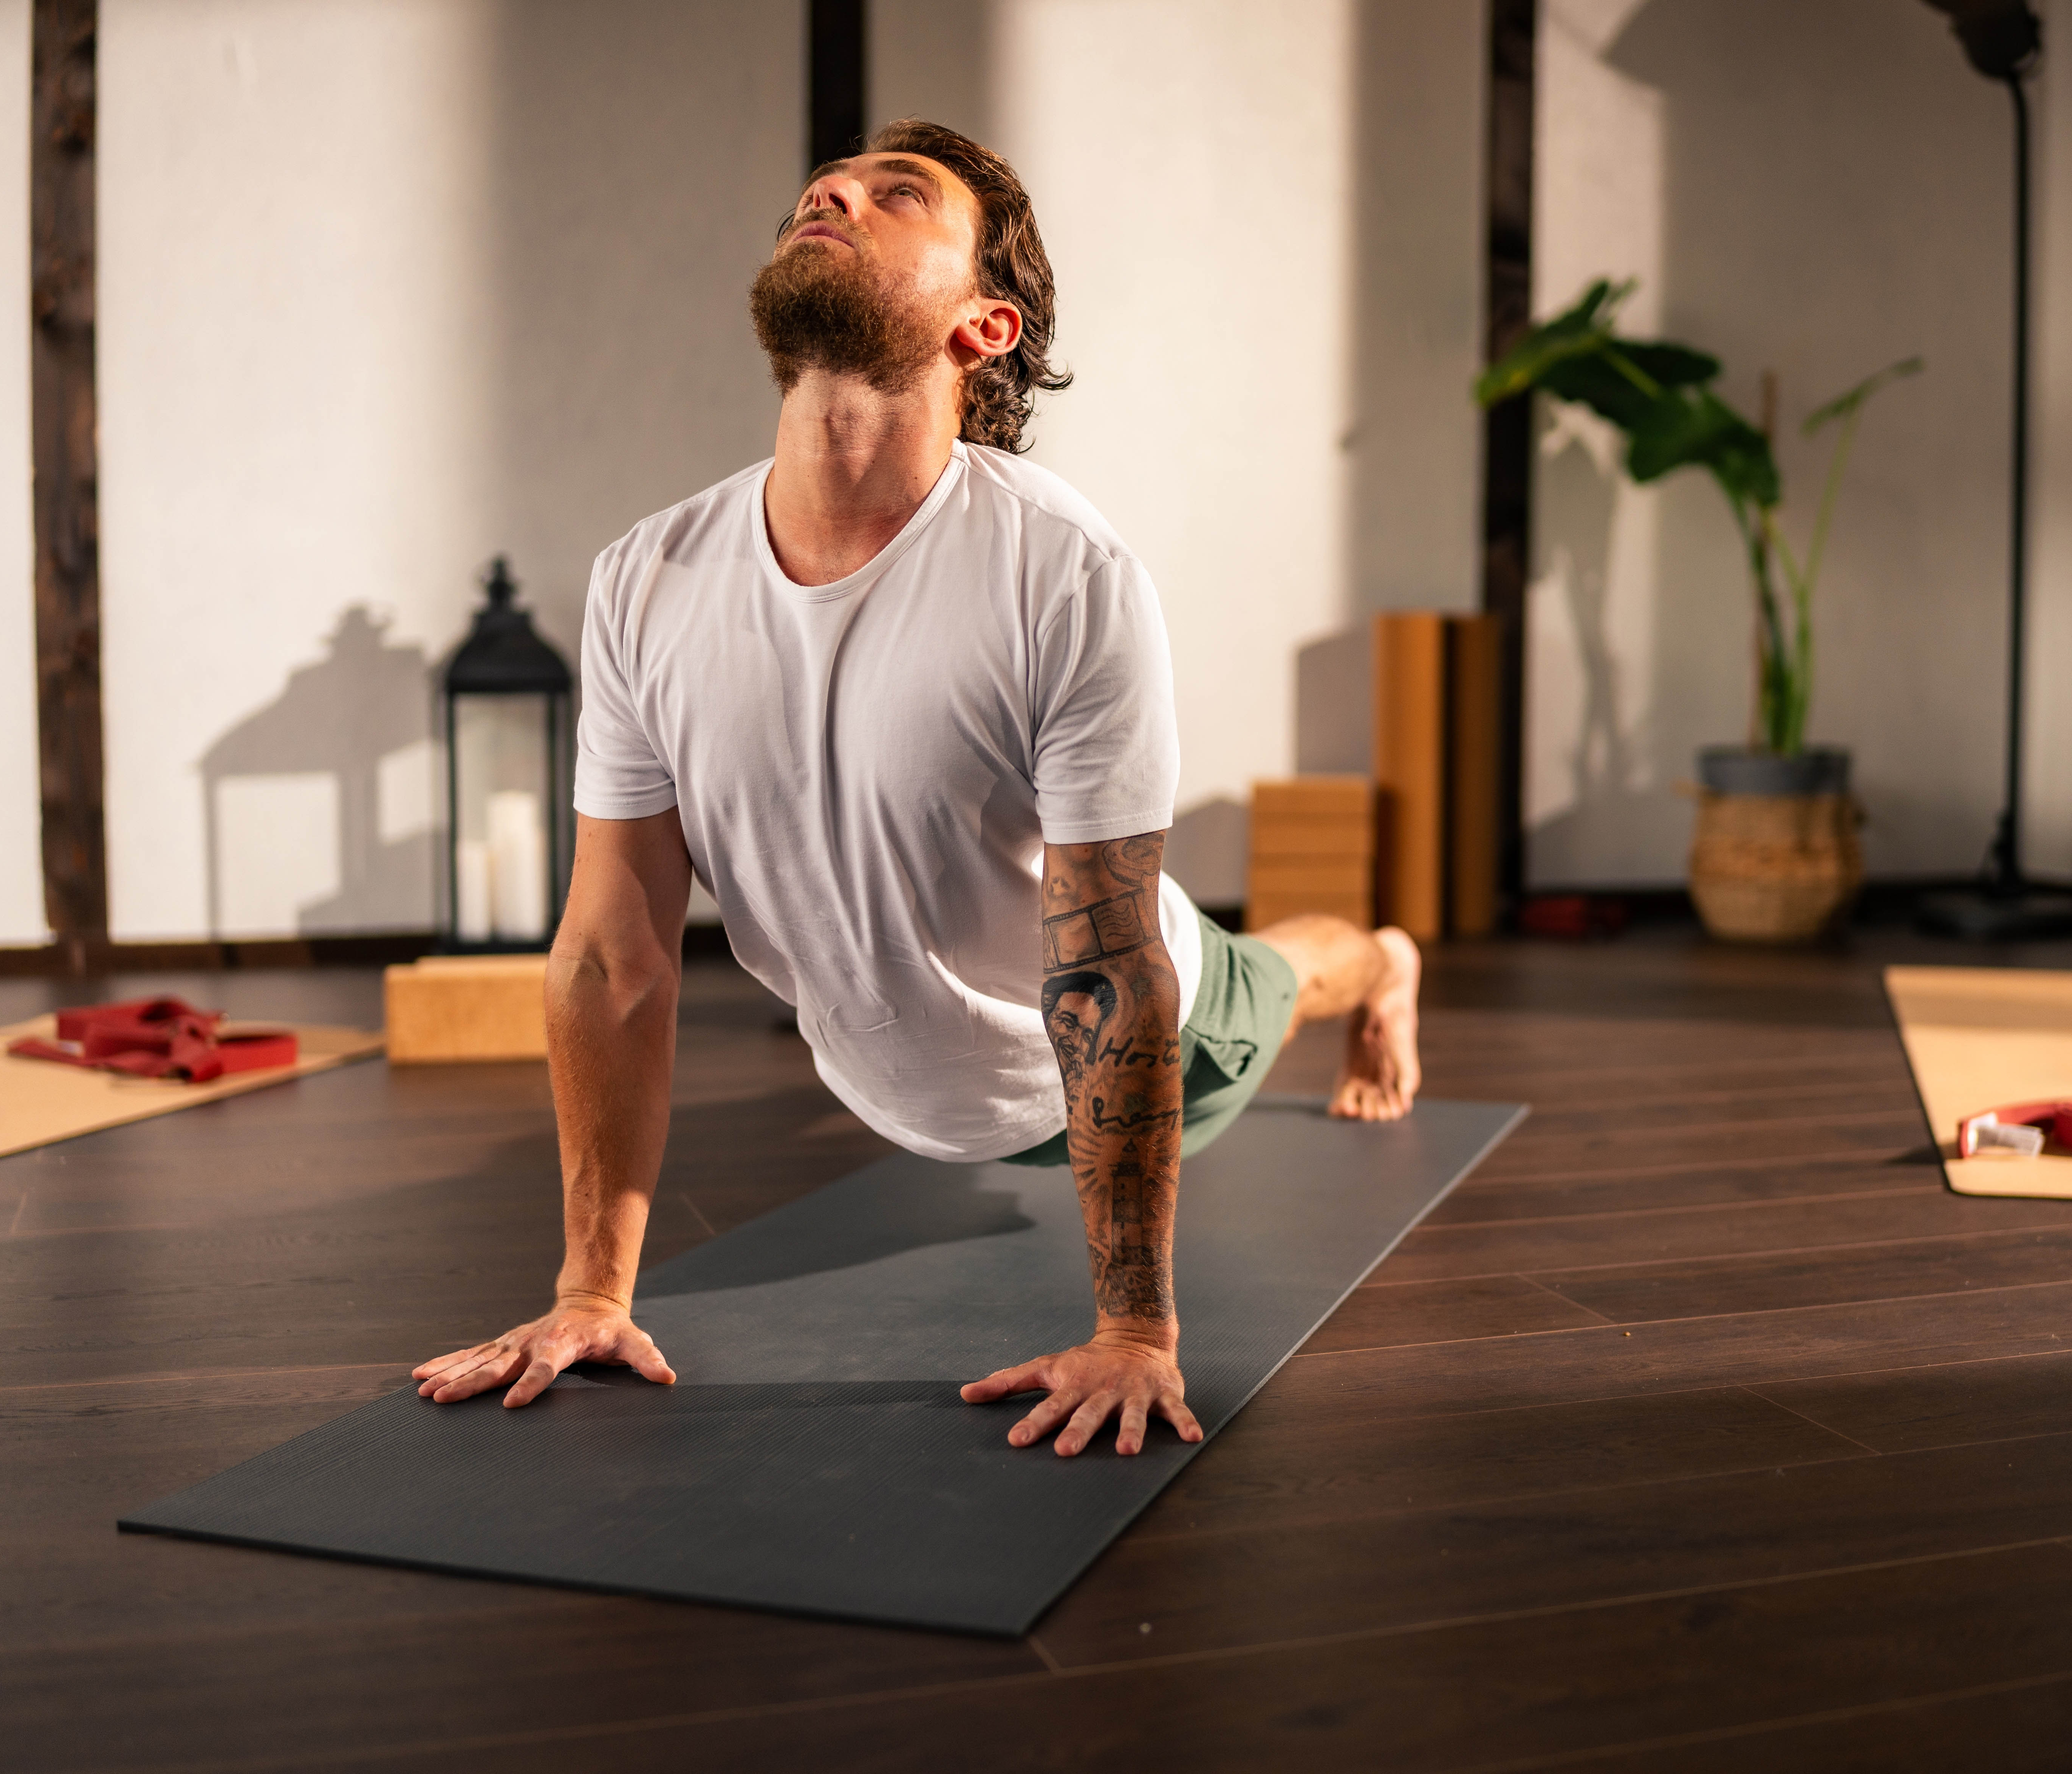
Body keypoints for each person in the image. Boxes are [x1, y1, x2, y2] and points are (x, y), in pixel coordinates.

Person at [412, 120, 1422, 1459]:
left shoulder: (1063, 571)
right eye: (828, 184)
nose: (832, 190)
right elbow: (613, 957)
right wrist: (590, 1295)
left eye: (901, 196)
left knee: (1284, 977)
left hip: (1123, 1049)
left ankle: (1391, 966)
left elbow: (1112, 975)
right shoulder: (645, 582)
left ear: (984, 327)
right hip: (890, 1079)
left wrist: (1135, 1335)